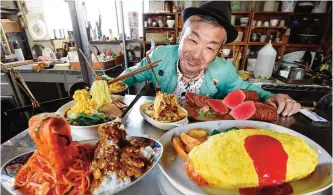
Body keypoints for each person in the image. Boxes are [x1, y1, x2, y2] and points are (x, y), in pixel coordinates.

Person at [122, 1, 300, 116]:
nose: (197, 55)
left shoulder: (224, 70)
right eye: (193, 40)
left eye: (210, 47)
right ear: (180, 38)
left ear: (218, 52)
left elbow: (250, 90)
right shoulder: (160, 55)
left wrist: (274, 97)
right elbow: (132, 74)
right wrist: (106, 84)